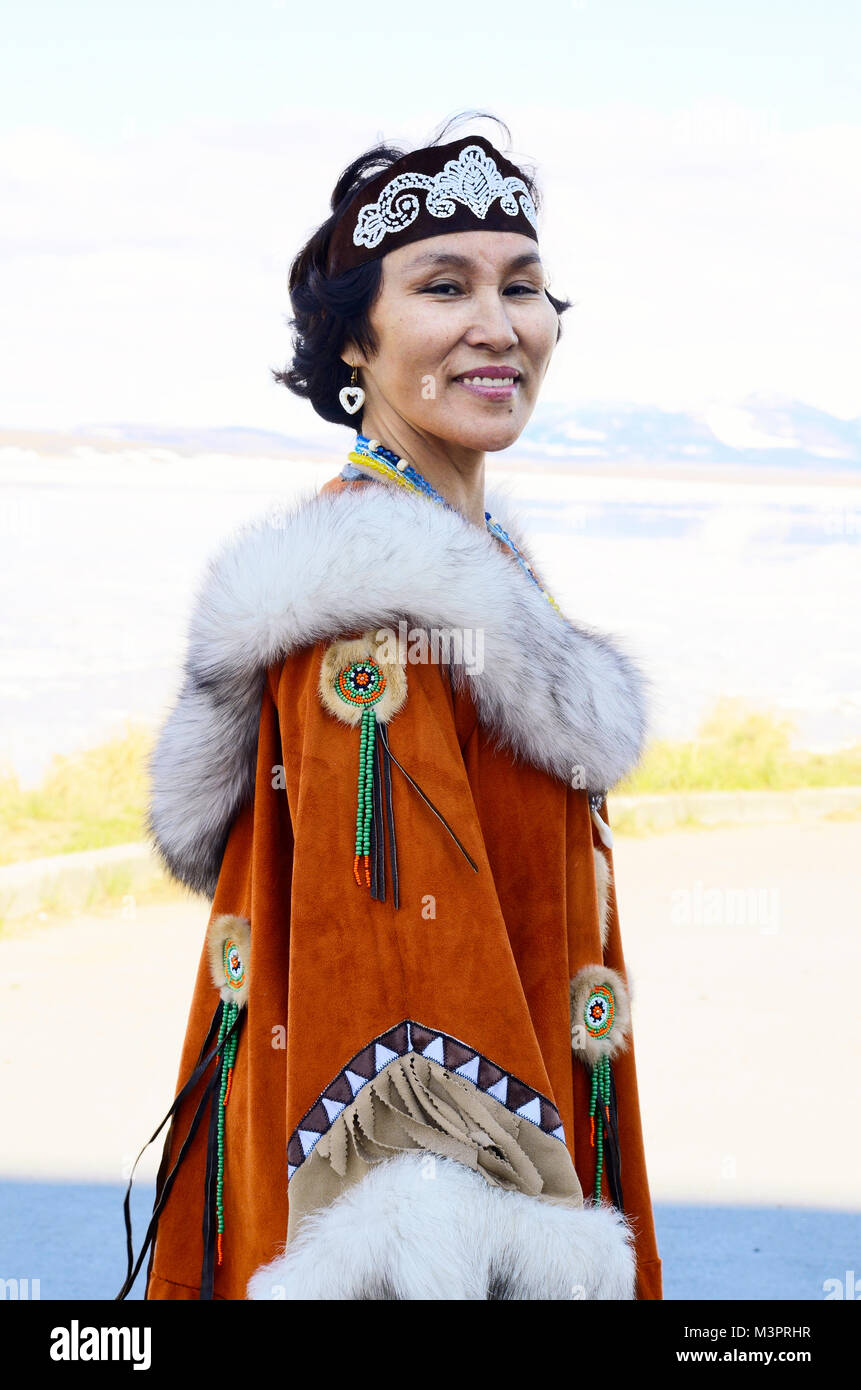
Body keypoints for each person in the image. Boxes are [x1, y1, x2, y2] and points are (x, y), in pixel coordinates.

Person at [139, 114, 663, 1300]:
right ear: (355, 350)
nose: (499, 323)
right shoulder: (377, 615)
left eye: (523, 286)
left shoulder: (473, 570)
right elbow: (391, 968)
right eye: (444, 285)